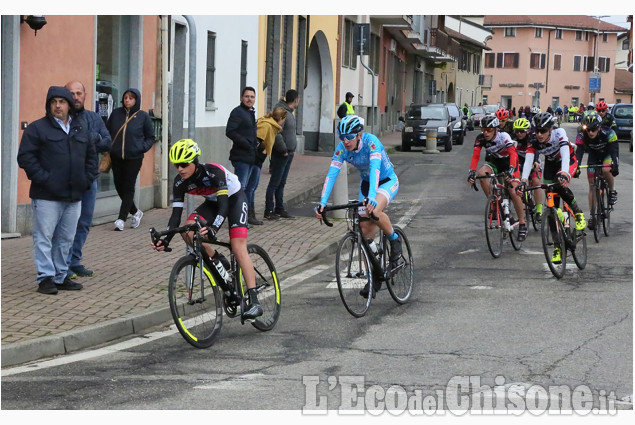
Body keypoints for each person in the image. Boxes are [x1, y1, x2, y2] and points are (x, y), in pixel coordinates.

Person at [151, 139, 262, 320]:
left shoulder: (213, 172)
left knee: (238, 247)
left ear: (194, 161)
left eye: (184, 164)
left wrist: (213, 228)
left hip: (233, 200)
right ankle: (217, 260)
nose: (179, 169)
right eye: (176, 165)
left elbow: (224, 205)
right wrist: (166, 239)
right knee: (188, 232)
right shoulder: (180, 183)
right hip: (212, 203)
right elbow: (176, 216)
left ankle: (254, 300)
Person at [17, 86, 98, 294]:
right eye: (54, 102)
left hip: (74, 195)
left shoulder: (81, 128)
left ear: (69, 105)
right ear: (48, 105)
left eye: (62, 102)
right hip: (47, 196)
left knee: (66, 239)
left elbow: (91, 157)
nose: (58, 106)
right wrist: (46, 179)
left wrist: (86, 180)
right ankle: (45, 278)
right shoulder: (37, 128)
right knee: (44, 237)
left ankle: (61, 276)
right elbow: (26, 158)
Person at [315, 115, 402, 297]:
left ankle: (394, 240)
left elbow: (375, 170)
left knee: (375, 210)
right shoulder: (342, 149)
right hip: (366, 183)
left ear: (359, 135)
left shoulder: (372, 143)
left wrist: (371, 197)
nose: (345, 141)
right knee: (364, 230)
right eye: (342, 137)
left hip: (385, 181)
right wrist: (323, 203)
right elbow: (332, 174)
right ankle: (374, 276)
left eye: (349, 137)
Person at [516, 112, 586, 263]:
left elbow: (566, 155)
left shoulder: (559, 133)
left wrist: (565, 174)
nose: (539, 134)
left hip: (567, 162)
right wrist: (522, 181)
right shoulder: (533, 140)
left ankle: (578, 212)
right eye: (537, 131)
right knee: (551, 206)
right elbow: (528, 161)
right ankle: (557, 247)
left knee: (559, 183)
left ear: (551, 129)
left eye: (543, 131)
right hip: (550, 164)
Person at [64, 80, 112, 279]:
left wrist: (88, 138)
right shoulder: (61, 118)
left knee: (84, 222)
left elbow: (107, 140)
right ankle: (62, 264)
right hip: (65, 179)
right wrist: (94, 139)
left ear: (85, 95)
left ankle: (74, 261)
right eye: (71, 93)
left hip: (89, 178)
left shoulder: (93, 117)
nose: (75, 97)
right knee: (65, 224)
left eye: (79, 93)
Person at [467, 115, 528, 241]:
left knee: (513, 191)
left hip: (509, 162)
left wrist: (511, 170)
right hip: (495, 162)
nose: (486, 132)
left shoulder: (504, 136)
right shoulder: (480, 138)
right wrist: (471, 172)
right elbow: (475, 156)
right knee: (481, 174)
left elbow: (512, 154)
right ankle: (494, 202)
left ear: (495, 129)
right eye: (483, 129)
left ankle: (522, 223)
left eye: (489, 130)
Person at [106, 88, 155, 231]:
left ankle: (121, 219)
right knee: (119, 186)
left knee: (128, 187)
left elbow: (150, 137)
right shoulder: (116, 114)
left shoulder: (143, 117)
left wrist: (140, 147)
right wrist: (109, 145)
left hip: (134, 158)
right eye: (125, 97)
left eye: (131, 98)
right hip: (116, 157)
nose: (127, 100)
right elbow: (107, 131)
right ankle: (135, 212)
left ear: (136, 100)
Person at [574, 111, 619, 229]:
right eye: (588, 130)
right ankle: (592, 216)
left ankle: (612, 191)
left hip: (607, 154)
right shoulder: (581, 135)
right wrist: (576, 167)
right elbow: (579, 153)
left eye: (593, 129)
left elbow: (614, 151)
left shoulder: (609, 133)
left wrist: (615, 164)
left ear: (599, 127)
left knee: (605, 170)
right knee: (592, 185)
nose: (590, 132)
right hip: (593, 156)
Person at [226, 87, 262, 225]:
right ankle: (237, 217)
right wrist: (245, 143)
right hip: (241, 157)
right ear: (241, 98)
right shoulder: (237, 112)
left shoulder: (250, 113)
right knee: (240, 188)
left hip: (252, 156)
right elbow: (230, 131)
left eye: (252, 97)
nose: (249, 99)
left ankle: (248, 216)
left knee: (251, 187)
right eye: (247, 96)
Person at [267, 89, 300, 219]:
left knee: (282, 182)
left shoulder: (288, 112)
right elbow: (276, 132)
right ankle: (269, 210)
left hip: (288, 153)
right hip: (281, 154)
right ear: (296, 99)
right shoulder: (282, 112)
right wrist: (283, 149)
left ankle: (279, 208)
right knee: (275, 182)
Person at [256, 106, 287, 220]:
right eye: (284, 119)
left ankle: (267, 210)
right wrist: (284, 152)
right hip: (270, 158)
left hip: (264, 158)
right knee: (273, 184)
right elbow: (261, 141)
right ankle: (268, 210)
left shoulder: (271, 125)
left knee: (273, 184)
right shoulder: (272, 127)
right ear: (281, 118)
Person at [511, 117, 543, 220]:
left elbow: (536, 151)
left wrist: (536, 162)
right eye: (517, 131)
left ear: (527, 131)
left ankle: (539, 210)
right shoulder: (513, 138)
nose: (519, 134)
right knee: (516, 183)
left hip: (533, 160)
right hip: (520, 162)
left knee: (536, 181)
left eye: (522, 131)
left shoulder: (532, 138)